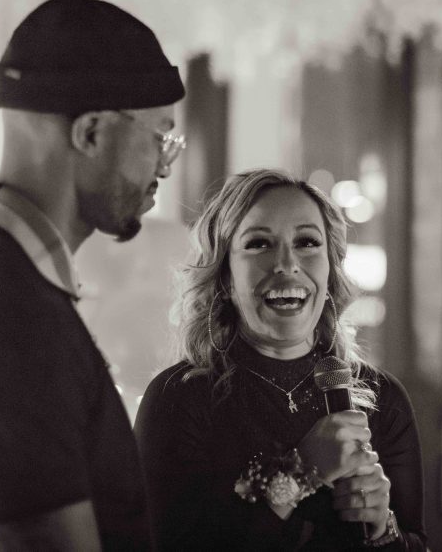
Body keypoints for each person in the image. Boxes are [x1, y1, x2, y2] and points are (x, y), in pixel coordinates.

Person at [0, 0, 186, 552]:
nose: (164, 167)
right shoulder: (0, 313)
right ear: (91, 133)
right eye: (160, 139)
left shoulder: (7, 286)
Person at [135, 169, 427, 551]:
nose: (286, 264)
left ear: (331, 269)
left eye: (307, 242)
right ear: (224, 277)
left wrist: (381, 529)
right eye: (259, 244)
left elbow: (415, 542)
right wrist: (301, 471)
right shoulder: (179, 398)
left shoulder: (381, 398)